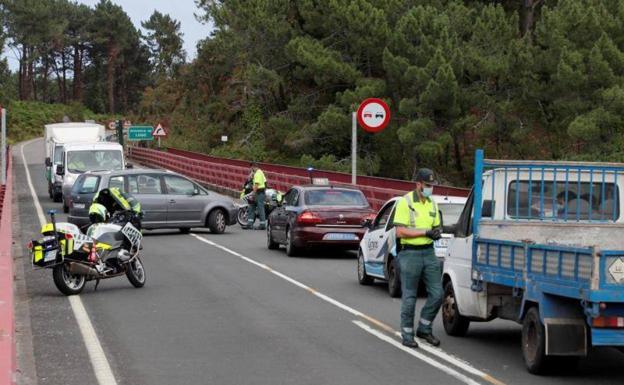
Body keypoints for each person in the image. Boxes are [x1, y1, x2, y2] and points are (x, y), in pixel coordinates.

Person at [393, 168, 443, 348]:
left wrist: (436, 232)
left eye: (432, 186)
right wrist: (425, 232)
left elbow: (436, 226)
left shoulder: (433, 203)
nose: (431, 189)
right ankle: (407, 334)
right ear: (418, 184)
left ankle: (424, 328)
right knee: (410, 296)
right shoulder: (405, 202)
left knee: (438, 294)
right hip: (410, 253)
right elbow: (399, 231)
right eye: (428, 185)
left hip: (429, 252)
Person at [243, 162, 267, 230]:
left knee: (260, 208)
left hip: (259, 193)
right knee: (251, 206)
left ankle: (262, 224)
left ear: (253, 167)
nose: (251, 169)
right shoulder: (259, 172)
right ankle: (249, 223)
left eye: (251, 168)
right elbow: (265, 182)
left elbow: (256, 185)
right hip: (259, 192)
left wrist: (253, 193)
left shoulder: (258, 174)